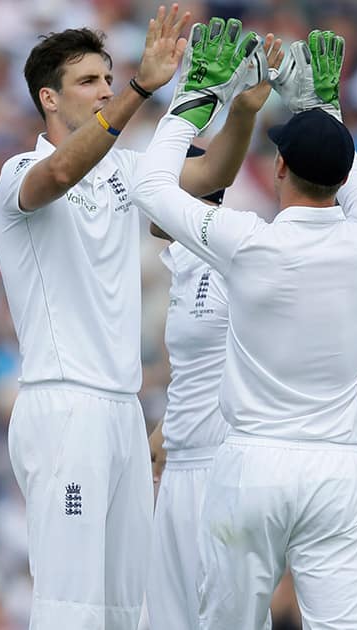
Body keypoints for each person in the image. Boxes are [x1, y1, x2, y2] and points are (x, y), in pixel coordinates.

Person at [0, 8, 278, 628]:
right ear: (48, 97)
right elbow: (63, 170)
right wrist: (145, 91)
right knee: (68, 607)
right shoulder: (20, 173)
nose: (105, 89)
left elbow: (208, 176)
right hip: (64, 405)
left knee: (124, 611)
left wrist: (244, 112)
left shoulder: (125, 170)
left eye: (109, 78)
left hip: (123, 410)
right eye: (89, 81)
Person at [132, 27, 357, 629]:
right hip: (337, 469)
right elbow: (348, 172)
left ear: (279, 169)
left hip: (252, 465)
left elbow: (150, 187)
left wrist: (200, 92)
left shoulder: (250, 244)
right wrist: (320, 104)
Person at [145, 147, 234, 630]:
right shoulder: (184, 261)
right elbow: (199, 371)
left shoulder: (230, 258)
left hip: (219, 470)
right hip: (180, 465)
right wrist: (162, 437)